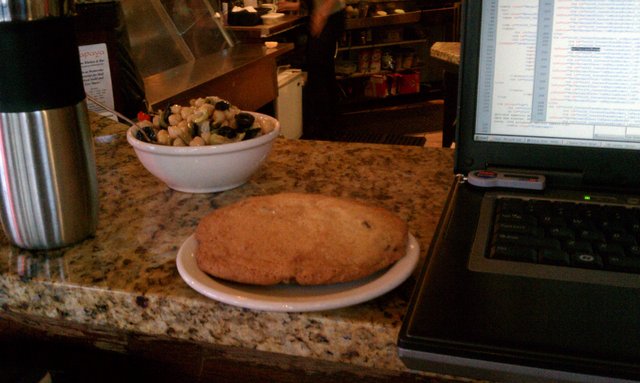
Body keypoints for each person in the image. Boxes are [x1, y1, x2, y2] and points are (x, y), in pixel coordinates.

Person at [278, 0, 346, 139]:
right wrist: (297, 6)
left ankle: (323, 129)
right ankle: (330, 125)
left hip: (329, 17)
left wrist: (321, 15)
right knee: (324, 71)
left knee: (318, 72)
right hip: (326, 15)